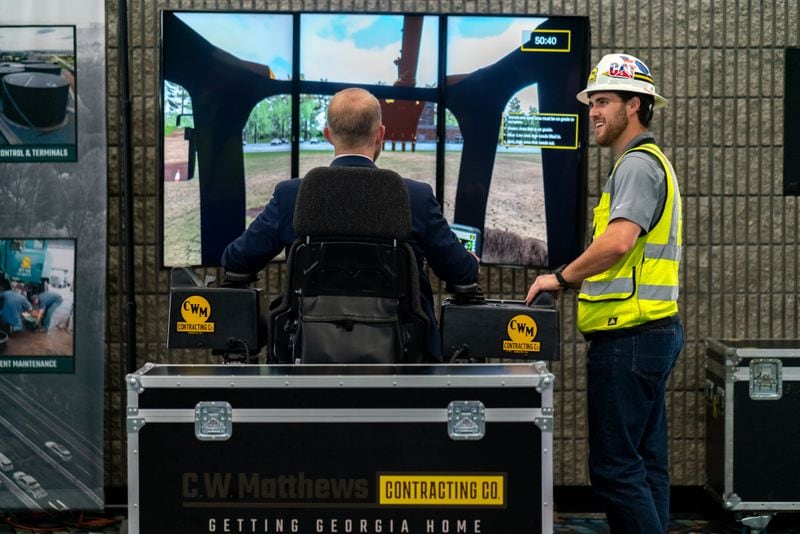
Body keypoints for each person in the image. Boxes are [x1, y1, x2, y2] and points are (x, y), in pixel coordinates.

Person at [524, 54, 683, 533]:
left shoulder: (636, 166)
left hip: (628, 338)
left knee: (615, 469)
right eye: (591, 101)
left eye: (604, 101)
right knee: (644, 466)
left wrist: (561, 278)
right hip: (651, 333)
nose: (593, 111)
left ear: (634, 105)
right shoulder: (650, 163)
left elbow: (617, 242)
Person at [222, 87, 479, 360]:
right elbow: (461, 273)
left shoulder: (290, 196)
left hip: (303, 362)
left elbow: (235, 260)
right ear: (380, 134)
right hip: (407, 366)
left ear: (328, 135)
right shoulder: (416, 197)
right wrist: (470, 262)